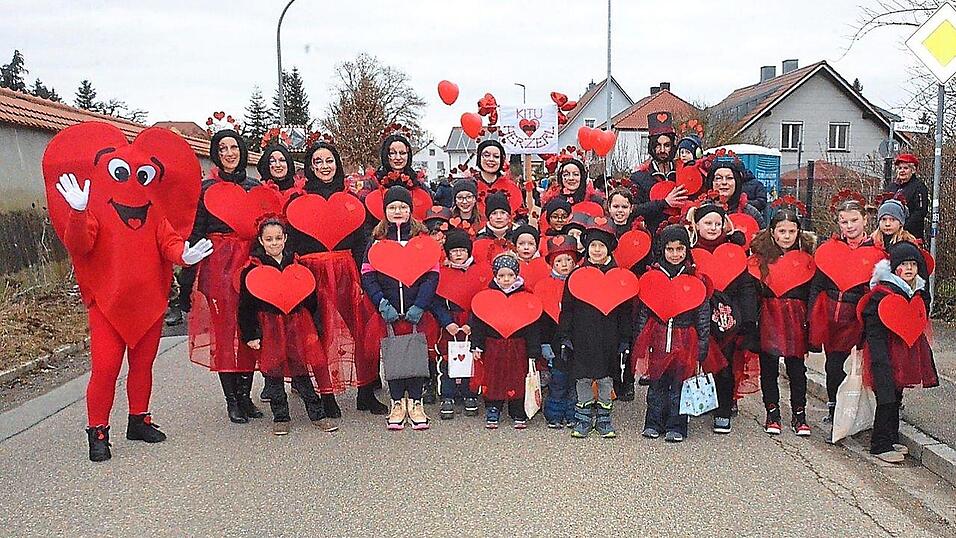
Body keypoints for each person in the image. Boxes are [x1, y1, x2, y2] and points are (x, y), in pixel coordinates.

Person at [43, 122, 213, 462]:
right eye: (124, 173)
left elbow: (168, 241)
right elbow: (80, 244)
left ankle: (139, 419)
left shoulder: (154, 211)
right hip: (107, 301)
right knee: (105, 368)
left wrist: (185, 256)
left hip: (149, 300)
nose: (134, 182)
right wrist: (78, 212)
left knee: (143, 365)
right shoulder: (94, 210)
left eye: (141, 175)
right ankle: (98, 430)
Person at [290, 141, 387, 417]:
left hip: (347, 270)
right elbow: (293, 242)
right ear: (309, 166)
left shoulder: (351, 201)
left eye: (329, 160)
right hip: (313, 271)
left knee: (364, 331)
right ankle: (327, 394)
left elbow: (360, 241)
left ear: (337, 163)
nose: (324, 166)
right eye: (317, 161)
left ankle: (366, 392)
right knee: (321, 335)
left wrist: (363, 277)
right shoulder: (297, 201)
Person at [181, 129, 265, 424]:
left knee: (250, 328)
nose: (229, 152)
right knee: (224, 331)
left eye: (234, 147)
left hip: (248, 263)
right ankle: (232, 400)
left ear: (242, 150)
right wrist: (187, 276)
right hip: (218, 264)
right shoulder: (206, 190)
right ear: (216, 153)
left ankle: (246, 395)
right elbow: (196, 231)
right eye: (223, 148)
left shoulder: (254, 186)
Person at [238, 217, 337, 435]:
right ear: (261, 242)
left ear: (285, 239)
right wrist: (251, 335)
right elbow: (245, 307)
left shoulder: (298, 266)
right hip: (269, 327)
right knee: (273, 374)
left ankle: (317, 414)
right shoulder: (251, 269)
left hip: (297, 325)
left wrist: (316, 327)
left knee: (301, 371)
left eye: (278, 238)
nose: (274, 243)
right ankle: (280, 417)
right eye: (269, 239)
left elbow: (312, 299)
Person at [361, 185, 438, 430]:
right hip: (389, 311)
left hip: (416, 311)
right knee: (393, 356)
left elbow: (432, 277)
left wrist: (420, 305)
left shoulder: (422, 241)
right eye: (392, 207)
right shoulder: (376, 242)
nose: (398, 211)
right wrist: (381, 303)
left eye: (403, 207)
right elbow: (368, 276)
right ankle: (396, 402)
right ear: (385, 211)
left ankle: (415, 402)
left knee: (415, 355)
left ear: (410, 211)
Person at [859, 241, 937, 463]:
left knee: (896, 395)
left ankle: (891, 437)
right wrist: (878, 358)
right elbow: (873, 329)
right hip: (882, 354)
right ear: (893, 268)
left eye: (913, 264)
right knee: (885, 396)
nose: (910, 269)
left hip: (902, 353)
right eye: (904, 264)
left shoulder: (914, 292)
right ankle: (880, 444)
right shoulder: (882, 294)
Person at [634, 225, 710, 443]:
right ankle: (653, 422)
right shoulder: (654, 276)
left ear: (687, 250)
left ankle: (676, 424)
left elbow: (702, 314)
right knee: (656, 384)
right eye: (670, 249)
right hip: (658, 336)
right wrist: (639, 339)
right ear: (662, 250)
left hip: (685, 339)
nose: (675, 254)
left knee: (679, 384)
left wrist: (703, 344)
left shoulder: (695, 279)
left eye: (680, 249)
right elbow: (644, 311)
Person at [687, 201, 758, 434]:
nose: (713, 227)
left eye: (717, 223)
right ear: (697, 224)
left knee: (724, 365)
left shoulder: (735, 253)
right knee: (693, 362)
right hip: (695, 314)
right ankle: (693, 403)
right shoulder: (689, 251)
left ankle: (723, 409)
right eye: (708, 223)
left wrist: (747, 319)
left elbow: (746, 286)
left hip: (726, 318)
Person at [560, 222, 631, 438]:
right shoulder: (576, 275)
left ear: (609, 248)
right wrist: (565, 336)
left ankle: (604, 418)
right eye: (593, 246)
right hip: (581, 336)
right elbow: (567, 309)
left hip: (608, 337)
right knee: (582, 378)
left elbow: (626, 311)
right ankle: (583, 418)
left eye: (601, 246)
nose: (597, 250)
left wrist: (625, 339)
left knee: (605, 378)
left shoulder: (620, 277)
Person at [809, 195, 876, 423]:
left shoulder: (876, 252)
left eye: (854, 220)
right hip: (831, 315)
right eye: (844, 222)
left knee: (863, 366)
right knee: (833, 365)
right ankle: (834, 407)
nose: (849, 226)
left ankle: (862, 409)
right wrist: (811, 314)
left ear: (865, 220)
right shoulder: (829, 250)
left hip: (857, 317)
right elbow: (817, 284)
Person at [750, 209, 816, 436]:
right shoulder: (759, 260)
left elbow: (811, 293)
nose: (786, 236)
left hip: (795, 317)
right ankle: (772, 411)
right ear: (772, 233)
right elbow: (753, 293)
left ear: (799, 233)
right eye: (781, 231)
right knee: (769, 368)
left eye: (791, 231)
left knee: (796, 368)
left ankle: (800, 414)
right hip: (769, 315)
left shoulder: (807, 260)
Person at [471, 254, 542, 429]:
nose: (506, 280)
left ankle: (517, 410)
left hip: (518, 345)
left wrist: (533, 350)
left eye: (510, 275)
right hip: (493, 345)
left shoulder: (526, 297)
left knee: (517, 378)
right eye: (501, 276)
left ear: (516, 275)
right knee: (494, 377)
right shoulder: (486, 297)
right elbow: (478, 323)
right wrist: (476, 345)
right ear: (495, 276)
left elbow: (532, 326)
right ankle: (493, 408)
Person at [431, 229, 479, 419]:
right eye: (454, 251)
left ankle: (469, 393)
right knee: (446, 358)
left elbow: (482, 301)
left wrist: (471, 323)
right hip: (449, 324)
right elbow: (436, 302)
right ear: (448, 253)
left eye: (462, 250)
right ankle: (447, 395)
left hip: (469, 322)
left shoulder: (477, 273)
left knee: (470, 359)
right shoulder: (442, 274)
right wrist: (447, 322)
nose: (459, 254)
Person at [630, 112, 685, 235]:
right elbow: (634, 209)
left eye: (667, 145)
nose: (662, 150)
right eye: (658, 145)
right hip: (653, 237)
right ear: (652, 147)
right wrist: (664, 203)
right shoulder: (639, 177)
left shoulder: (682, 173)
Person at [705, 158, 765, 228]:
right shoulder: (702, 209)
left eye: (729, 178)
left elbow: (762, 237)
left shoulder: (750, 212)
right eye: (718, 178)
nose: (724, 182)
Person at [886, 153, 928, 240]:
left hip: (910, 234)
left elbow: (920, 212)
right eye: (899, 168)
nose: (902, 171)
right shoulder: (891, 187)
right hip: (889, 232)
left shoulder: (919, 187)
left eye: (906, 168)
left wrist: (902, 226)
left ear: (913, 170)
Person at [474, 139, 522, 209]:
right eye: (486, 155)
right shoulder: (470, 185)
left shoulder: (511, 187)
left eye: (496, 156)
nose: (491, 159)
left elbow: (520, 215)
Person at [541, 158, 606, 207]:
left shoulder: (595, 201)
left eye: (576, 174)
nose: (571, 178)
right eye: (566, 174)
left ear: (582, 177)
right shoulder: (552, 201)